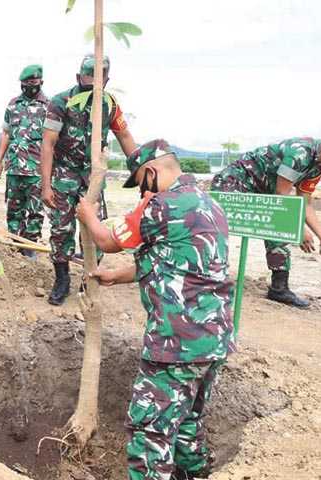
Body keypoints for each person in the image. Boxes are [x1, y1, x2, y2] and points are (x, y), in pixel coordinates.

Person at [77, 140, 235, 480]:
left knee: (150, 432)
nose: (141, 192)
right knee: (188, 420)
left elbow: (106, 240)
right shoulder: (209, 204)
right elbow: (176, 262)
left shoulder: (163, 206)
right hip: (214, 339)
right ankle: (195, 475)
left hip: (177, 342)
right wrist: (116, 276)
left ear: (152, 172)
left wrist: (87, 215)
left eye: (141, 183)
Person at [41, 53, 137, 306]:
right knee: (61, 230)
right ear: (78, 77)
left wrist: (140, 168)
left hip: (92, 177)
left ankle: (89, 279)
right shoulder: (61, 102)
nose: (93, 82)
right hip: (64, 174)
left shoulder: (109, 104)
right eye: (88, 76)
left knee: (99, 230)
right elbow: (48, 144)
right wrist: (46, 185)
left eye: (99, 77)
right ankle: (61, 280)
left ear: (107, 79)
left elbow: (124, 136)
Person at [211, 137, 321, 308]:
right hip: (235, 182)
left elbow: (305, 202)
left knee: (277, 228)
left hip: (266, 190)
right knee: (216, 226)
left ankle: (279, 289)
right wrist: (299, 228)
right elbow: (282, 194)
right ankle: (208, 274)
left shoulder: (318, 166)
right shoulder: (301, 152)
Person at [0, 64, 48, 258]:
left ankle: (30, 250)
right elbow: (6, 133)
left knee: (35, 213)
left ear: (41, 82)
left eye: (33, 83)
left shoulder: (49, 107)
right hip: (15, 168)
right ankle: (13, 249)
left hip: (37, 171)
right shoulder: (13, 104)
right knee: (13, 212)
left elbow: (52, 140)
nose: (29, 86)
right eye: (25, 83)